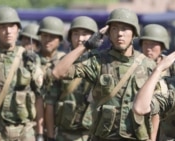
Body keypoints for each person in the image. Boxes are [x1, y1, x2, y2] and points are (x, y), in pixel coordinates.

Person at [52, 8, 157, 141]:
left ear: (134, 33)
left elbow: (155, 109)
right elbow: (58, 72)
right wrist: (86, 46)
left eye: (125, 28)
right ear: (108, 33)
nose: (119, 33)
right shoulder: (98, 61)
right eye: (114, 29)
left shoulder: (148, 66)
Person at [0, 6, 44, 141]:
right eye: (3, 27)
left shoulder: (29, 58)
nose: (8, 31)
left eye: (12, 26)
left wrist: (39, 133)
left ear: (18, 29)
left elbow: (39, 97)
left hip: (24, 130)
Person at [45, 16, 98, 141]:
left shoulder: (102, 63)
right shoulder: (61, 65)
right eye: (76, 34)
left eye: (85, 34)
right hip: (63, 134)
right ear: (70, 37)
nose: (80, 39)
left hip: (92, 135)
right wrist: (51, 135)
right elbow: (50, 103)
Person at [139, 24, 175, 141]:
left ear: (163, 46)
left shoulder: (173, 68)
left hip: (166, 124)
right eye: (145, 43)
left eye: (153, 44)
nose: (148, 48)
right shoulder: (136, 66)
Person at [36, 16, 66, 141]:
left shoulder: (65, 60)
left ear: (59, 40)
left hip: (60, 122)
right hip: (33, 124)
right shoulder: (30, 59)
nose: (47, 40)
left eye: (52, 37)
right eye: (44, 35)